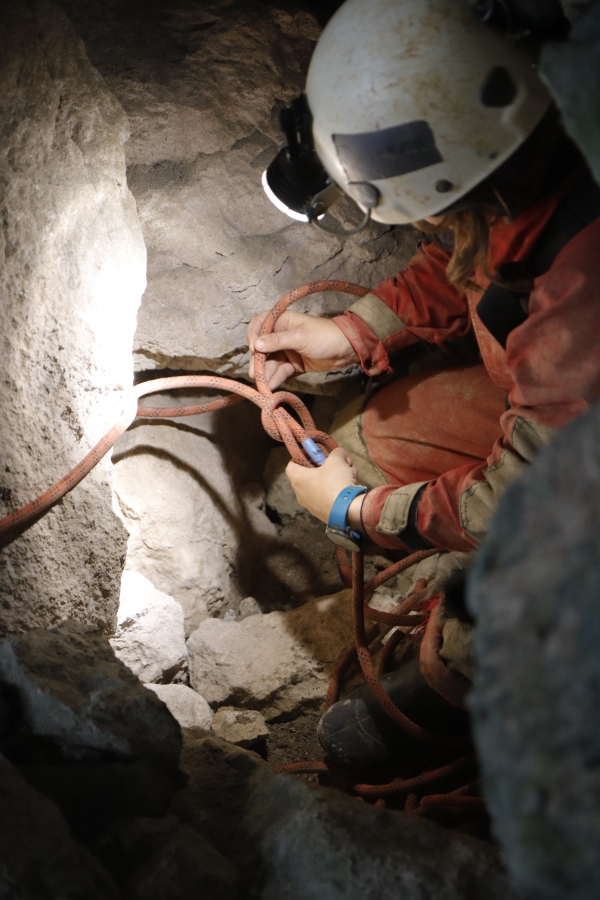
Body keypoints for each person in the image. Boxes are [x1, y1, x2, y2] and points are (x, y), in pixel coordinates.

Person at [248, 0, 600, 767]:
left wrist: (354, 511)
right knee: (369, 443)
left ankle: (469, 686)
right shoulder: (528, 151)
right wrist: (351, 333)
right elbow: (465, 251)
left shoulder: (583, 285)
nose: (425, 230)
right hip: (562, 412)